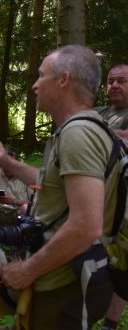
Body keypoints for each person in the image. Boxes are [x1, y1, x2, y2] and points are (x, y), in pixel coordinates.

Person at [0, 45, 117, 328]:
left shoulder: (78, 133)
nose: (34, 84)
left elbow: (86, 226)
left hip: (63, 285)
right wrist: (8, 162)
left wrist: (27, 271)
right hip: (62, 280)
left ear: (63, 79)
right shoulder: (83, 128)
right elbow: (54, 185)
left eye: (41, 76)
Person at [95, 64, 128, 330]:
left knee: (123, 263)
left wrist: (100, 133)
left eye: (122, 81)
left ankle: (111, 323)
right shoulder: (100, 112)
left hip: (125, 204)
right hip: (99, 196)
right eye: (110, 81)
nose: (114, 85)